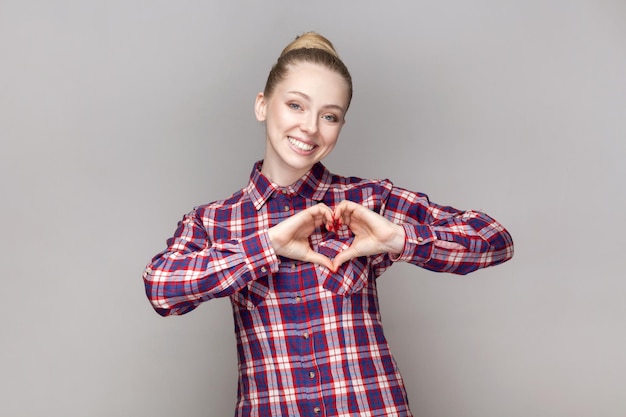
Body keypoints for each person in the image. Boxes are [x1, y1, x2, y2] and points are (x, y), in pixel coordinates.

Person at [143, 32, 514, 417]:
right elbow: (161, 289)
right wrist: (266, 247)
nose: (310, 128)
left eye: (329, 115)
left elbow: (495, 240)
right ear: (262, 105)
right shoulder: (214, 221)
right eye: (295, 105)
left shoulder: (367, 202)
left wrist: (400, 239)